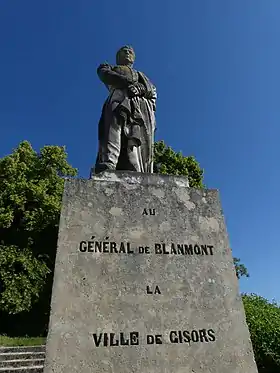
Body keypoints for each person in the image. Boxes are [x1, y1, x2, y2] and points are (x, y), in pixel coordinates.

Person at [95, 46, 157, 174]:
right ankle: (109, 162)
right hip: (118, 97)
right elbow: (105, 74)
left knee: (134, 134)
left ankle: (134, 167)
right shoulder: (110, 67)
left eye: (131, 52)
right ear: (118, 57)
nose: (128, 53)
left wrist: (140, 89)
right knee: (112, 128)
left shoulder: (141, 75)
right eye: (124, 51)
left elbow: (152, 90)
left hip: (138, 105)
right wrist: (127, 83)